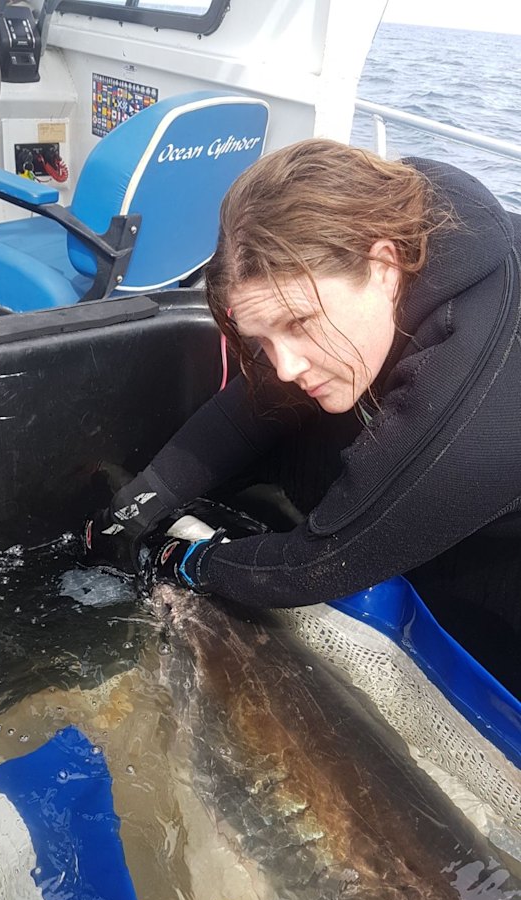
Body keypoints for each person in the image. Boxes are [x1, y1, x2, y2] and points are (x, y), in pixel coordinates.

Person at [85, 137, 521, 618]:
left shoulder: (471, 403)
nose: (287, 367)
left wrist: (185, 562)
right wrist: (136, 507)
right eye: (266, 339)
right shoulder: (399, 212)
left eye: (299, 323)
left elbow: (312, 566)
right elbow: (250, 407)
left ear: (383, 265)